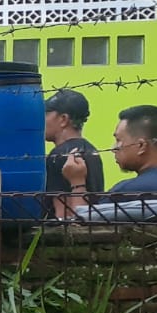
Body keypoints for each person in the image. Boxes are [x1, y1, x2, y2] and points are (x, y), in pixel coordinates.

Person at [62, 104, 157, 219]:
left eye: (119, 140)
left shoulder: (128, 191)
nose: (114, 148)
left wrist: (77, 182)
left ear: (141, 146)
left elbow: (82, 224)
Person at [44, 90, 104, 218]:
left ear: (63, 119)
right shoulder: (91, 150)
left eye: (45, 114)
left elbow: (63, 214)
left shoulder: (59, 156)